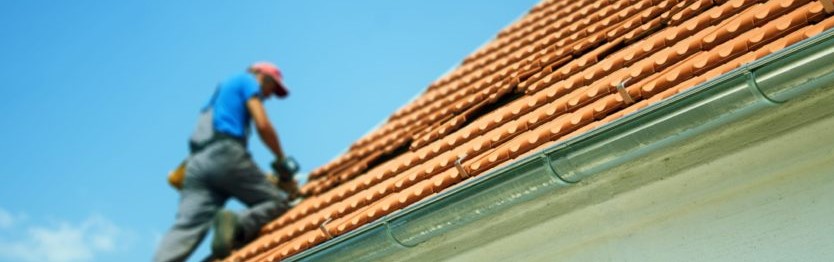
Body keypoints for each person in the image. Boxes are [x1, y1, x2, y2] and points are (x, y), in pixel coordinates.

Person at [154, 62, 300, 262]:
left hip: (196, 165)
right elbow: (262, 124)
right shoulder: (247, 81)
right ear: (262, 76)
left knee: (186, 227)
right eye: (271, 88)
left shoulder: (219, 95)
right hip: (225, 154)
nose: (269, 95)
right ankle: (237, 224)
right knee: (276, 201)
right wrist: (281, 160)